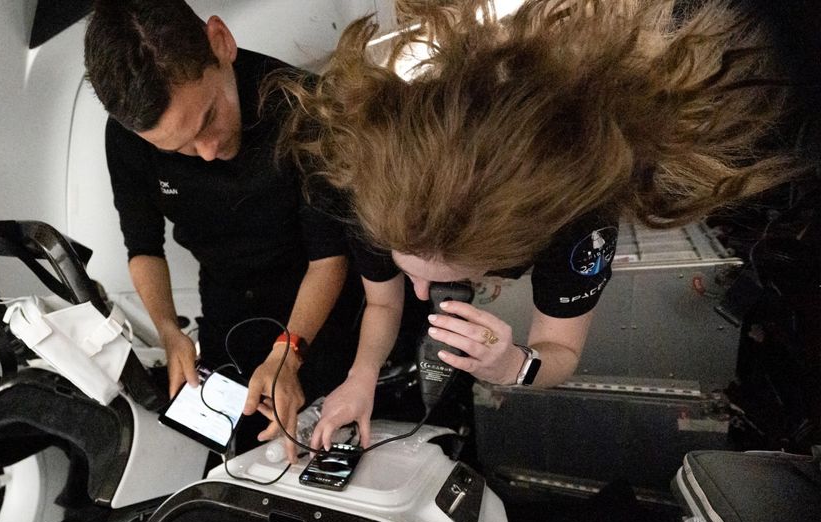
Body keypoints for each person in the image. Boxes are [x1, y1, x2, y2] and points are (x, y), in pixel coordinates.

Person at [272, 0, 806, 448]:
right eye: (408, 266)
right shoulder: (378, 190)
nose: (418, 291)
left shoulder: (577, 224)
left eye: (443, 275)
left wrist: (513, 365)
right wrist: (360, 379)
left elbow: (563, 349)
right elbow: (385, 301)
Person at [83, 0, 361, 445]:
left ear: (221, 42)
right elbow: (144, 249)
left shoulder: (304, 109)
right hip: (226, 313)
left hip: (323, 314)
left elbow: (328, 258)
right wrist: (170, 331)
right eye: (179, 149)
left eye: (209, 117)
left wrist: (288, 355)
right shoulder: (126, 139)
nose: (208, 151)